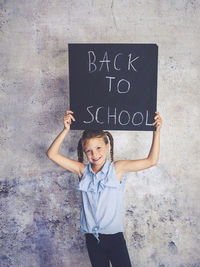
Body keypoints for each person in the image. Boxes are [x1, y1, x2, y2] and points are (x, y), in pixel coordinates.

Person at [46, 110, 162, 267]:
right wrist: (66, 129)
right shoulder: (82, 170)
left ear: (107, 146)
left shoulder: (117, 169)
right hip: (93, 239)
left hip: (115, 238)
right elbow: (52, 154)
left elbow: (151, 161)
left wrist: (157, 131)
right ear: (84, 152)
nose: (95, 154)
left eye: (99, 148)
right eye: (89, 151)